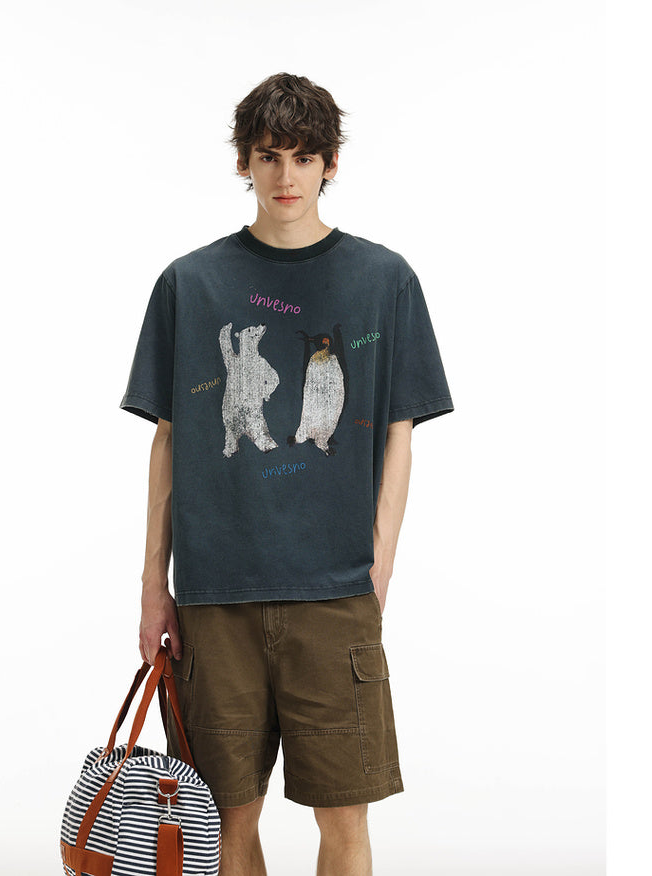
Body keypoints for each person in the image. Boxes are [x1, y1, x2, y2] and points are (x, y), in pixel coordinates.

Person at [119, 72, 454, 876]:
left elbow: (400, 434)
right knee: (224, 822)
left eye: (304, 157)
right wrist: (154, 585)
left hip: (334, 596)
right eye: (268, 156)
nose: (286, 176)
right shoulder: (189, 283)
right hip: (215, 599)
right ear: (243, 160)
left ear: (332, 163)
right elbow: (167, 441)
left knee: (344, 820)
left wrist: (379, 563)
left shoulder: (384, 280)